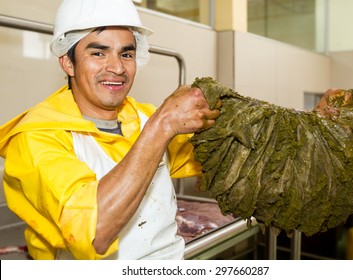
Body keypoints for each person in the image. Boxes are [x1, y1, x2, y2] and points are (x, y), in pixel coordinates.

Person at [0, 0, 220, 260]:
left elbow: (208, 162)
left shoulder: (142, 116)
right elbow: (94, 232)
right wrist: (163, 125)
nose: (117, 68)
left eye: (126, 54)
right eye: (98, 53)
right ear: (67, 63)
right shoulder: (36, 137)